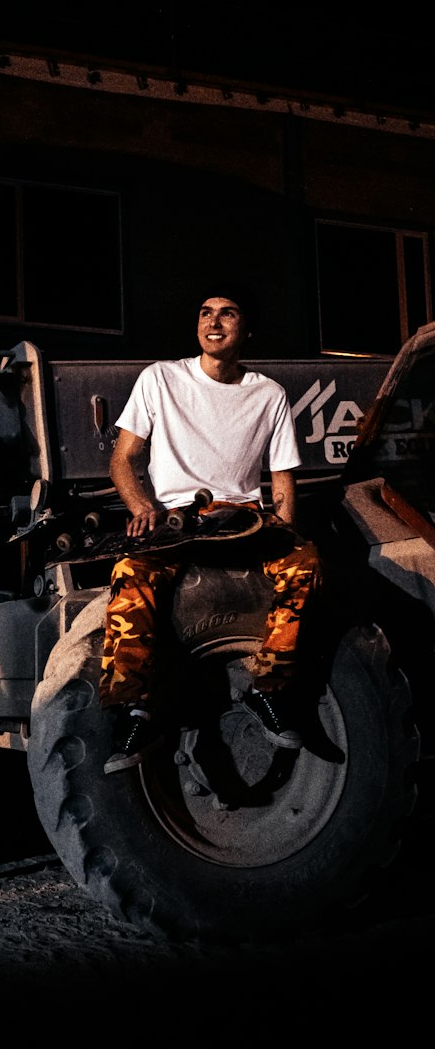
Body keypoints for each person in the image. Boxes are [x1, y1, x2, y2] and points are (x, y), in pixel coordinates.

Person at [99, 287, 320, 773]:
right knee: (130, 573)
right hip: (177, 517)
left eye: (227, 313)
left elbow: (282, 476)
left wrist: (286, 528)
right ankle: (137, 711)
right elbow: (123, 459)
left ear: (247, 330)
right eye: (204, 313)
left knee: (304, 564)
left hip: (242, 518)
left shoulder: (268, 393)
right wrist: (142, 507)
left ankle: (268, 692)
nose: (213, 322)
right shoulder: (161, 378)